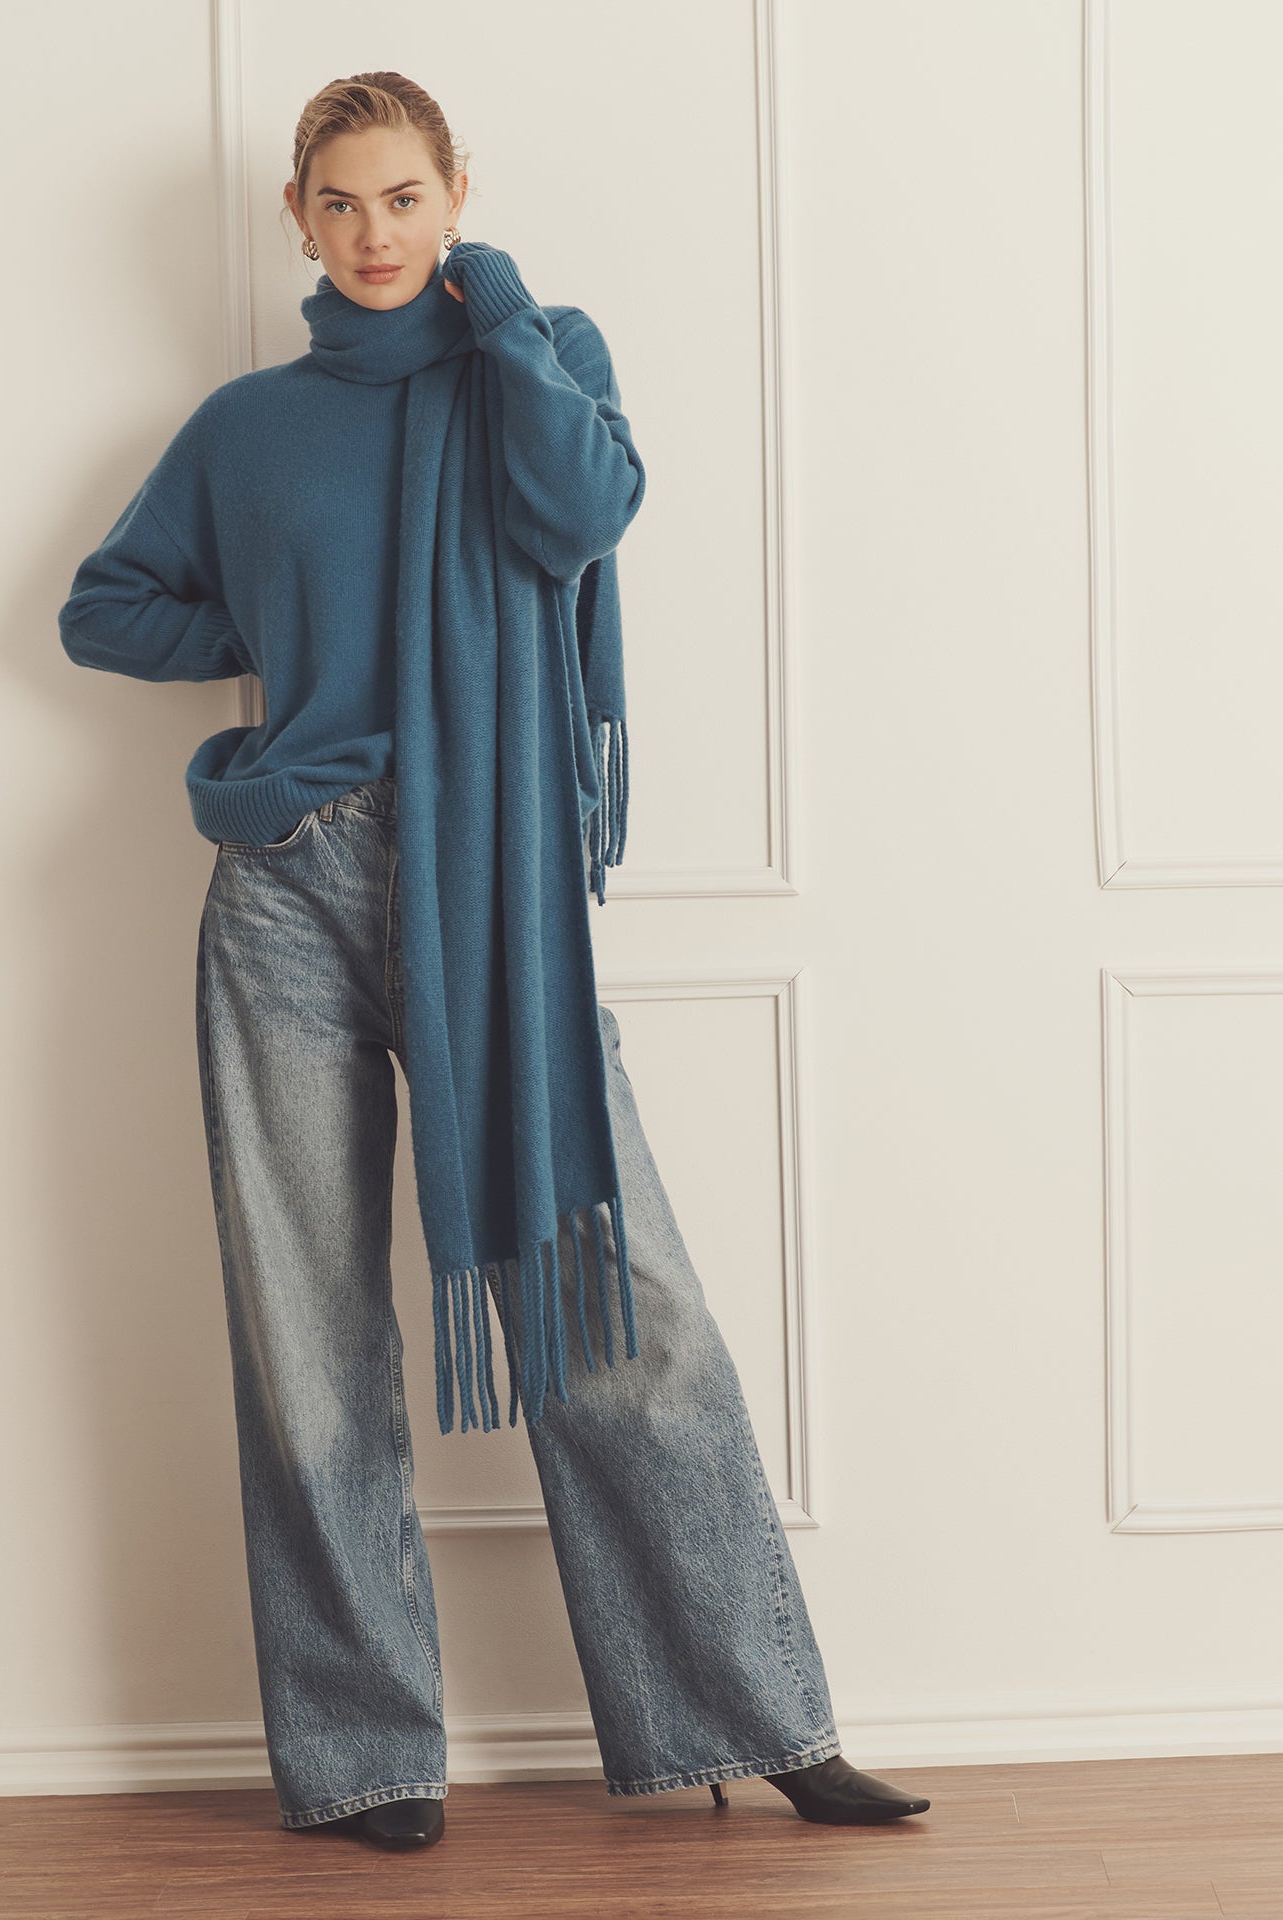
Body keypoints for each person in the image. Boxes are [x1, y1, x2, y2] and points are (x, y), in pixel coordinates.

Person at [59, 70, 930, 1853]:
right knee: (308, 1333)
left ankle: (756, 1715)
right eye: (340, 202)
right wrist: (282, 639)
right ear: (297, 218)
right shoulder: (244, 428)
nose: (373, 233)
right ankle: (366, 1757)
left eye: (405, 196)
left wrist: (507, 309)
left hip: (494, 879)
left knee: (618, 1311)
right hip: (290, 884)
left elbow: (582, 510)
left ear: (458, 192)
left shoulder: (538, 359)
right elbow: (105, 606)